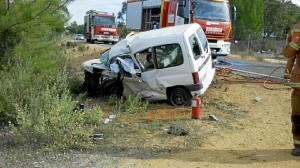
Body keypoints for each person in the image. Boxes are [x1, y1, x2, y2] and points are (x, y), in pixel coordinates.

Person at [282, 19, 300, 156]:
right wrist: (296, 42)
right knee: (298, 117)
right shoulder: (295, 29)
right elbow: (288, 54)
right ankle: (298, 145)